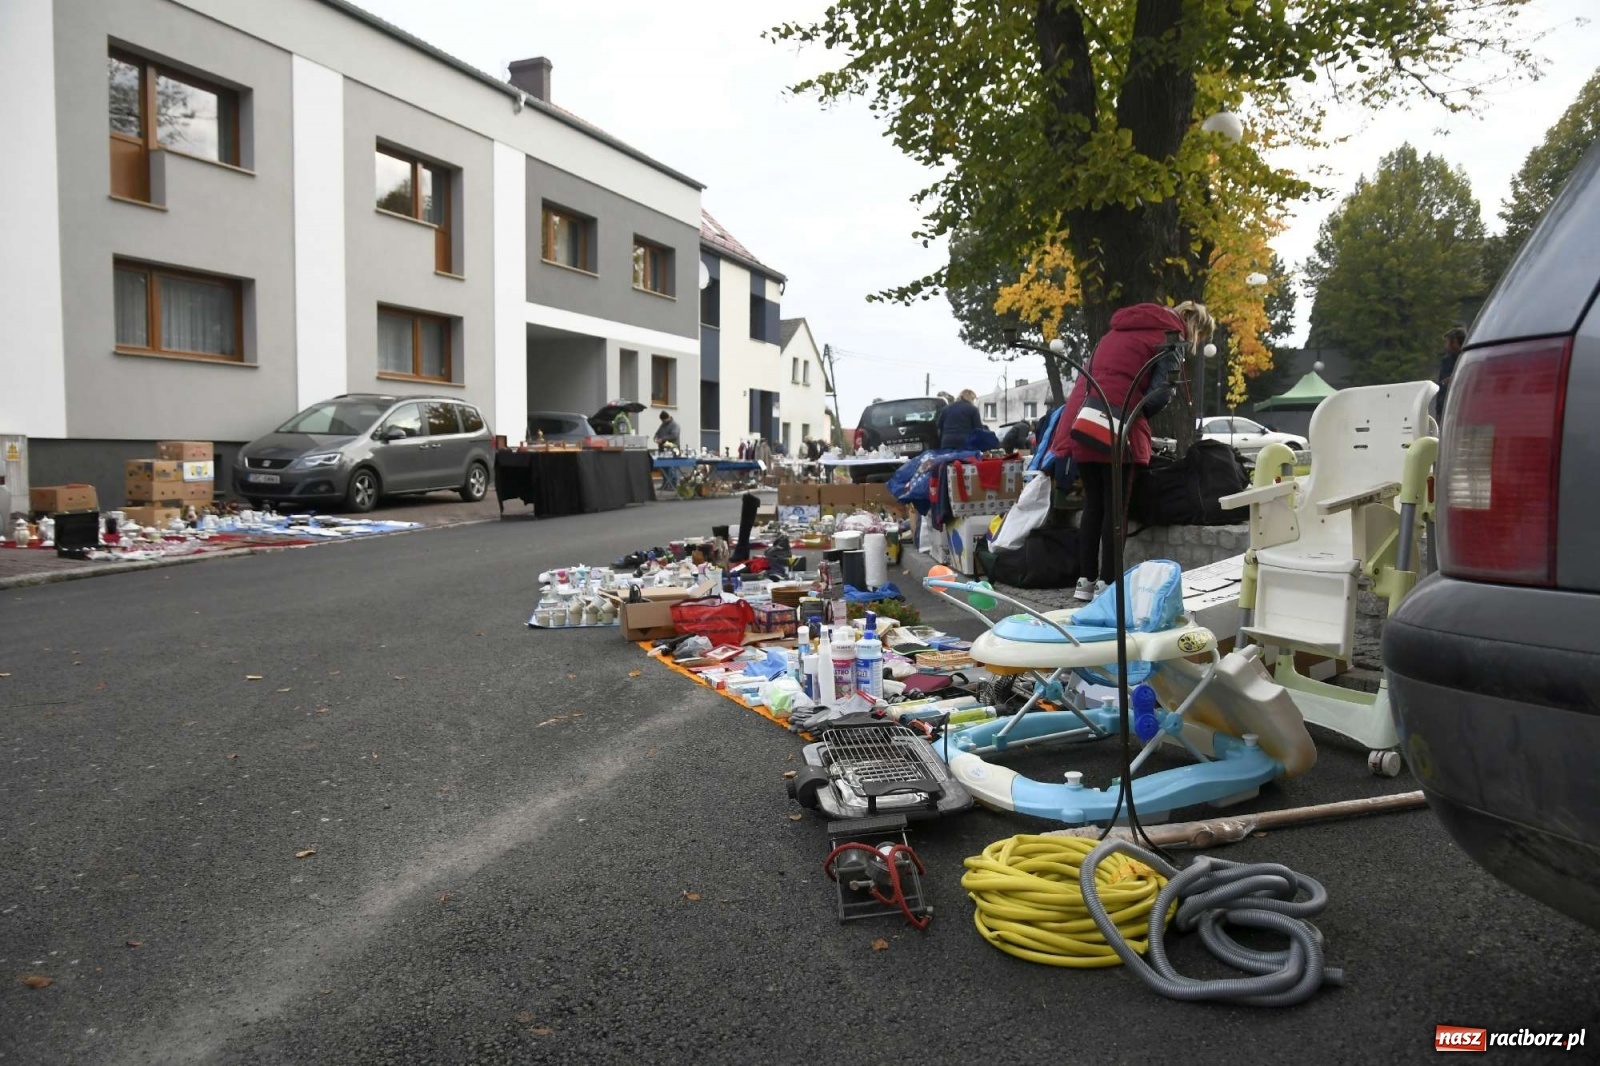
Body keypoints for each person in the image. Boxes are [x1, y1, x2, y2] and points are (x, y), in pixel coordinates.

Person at [1050, 300, 1214, 601]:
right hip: (1117, 426)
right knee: (1116, 509)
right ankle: (1109, 583)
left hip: (1082, 422)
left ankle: (1084, 581)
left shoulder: (1113, 333)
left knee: (1093, 505)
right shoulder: (1169, 337)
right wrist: (1139, 416)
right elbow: (1160, 393)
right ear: (1194, 327)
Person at [1434, 327, 1466, 424]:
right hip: (1444, 407)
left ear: (1455, 342)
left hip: (1461, 407)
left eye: (1447, 341)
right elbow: (1441, 384)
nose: (1445, 345)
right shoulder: (1447, 360)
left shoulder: (1467, 358)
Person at [654, 411, 681, 490]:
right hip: (662, 449)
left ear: (668, 417)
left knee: (672, 468)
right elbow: (657, 433)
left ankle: (673, 485)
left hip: (672, 449)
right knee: (664, 468)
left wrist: (662, 439)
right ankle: (665, 484)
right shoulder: (663, 425)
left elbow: (674, 435)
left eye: (664, 420)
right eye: (662, 421)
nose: (663, 422)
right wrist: (655, 438)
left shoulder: (675, 425)